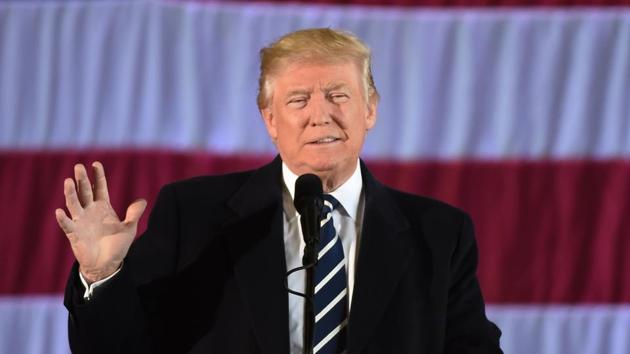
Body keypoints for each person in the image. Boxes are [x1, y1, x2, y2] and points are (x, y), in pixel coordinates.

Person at [56, 28, 502, 354]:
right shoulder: (194, 214)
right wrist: (104, 275)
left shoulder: (440, 233)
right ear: (270, 119)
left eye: (338, 95)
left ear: (371, 109)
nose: (320, 115)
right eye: (298, 100)